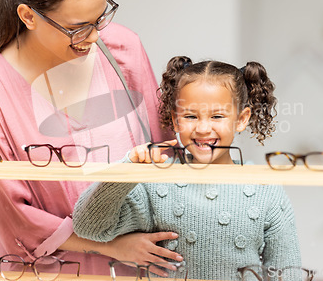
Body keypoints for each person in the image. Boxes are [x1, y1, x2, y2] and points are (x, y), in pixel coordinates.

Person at [0, 0, 180, 275]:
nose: (93, 37)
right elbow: (13, 215)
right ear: (28, 16)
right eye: (77, 28)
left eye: (100, 16)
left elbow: (163, 151)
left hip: (142, 265)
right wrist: (112, 246)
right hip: (52, 271)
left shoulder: (123, 49)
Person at [73, 56, 302, 280]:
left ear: (241, 119)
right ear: (175, 120)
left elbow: (287, 272)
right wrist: (127, 171)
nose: (203, 128)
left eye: (217, 116)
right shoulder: (156, 182)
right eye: (191, 116)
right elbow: (88, 227)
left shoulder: (265, 189)